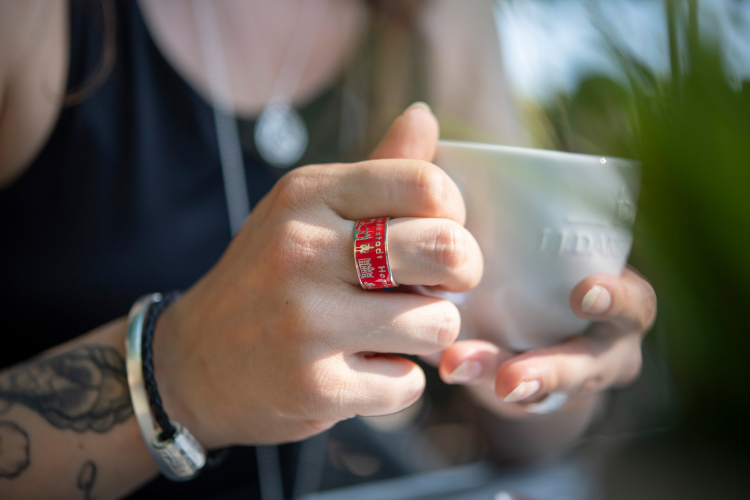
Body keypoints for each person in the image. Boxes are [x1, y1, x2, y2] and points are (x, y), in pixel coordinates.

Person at [0, 0, 656, 498]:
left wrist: (545, 374)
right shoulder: (36, 23)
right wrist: (178, 372)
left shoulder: (439, 19)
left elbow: (525, 420)